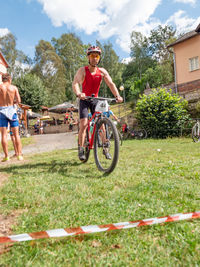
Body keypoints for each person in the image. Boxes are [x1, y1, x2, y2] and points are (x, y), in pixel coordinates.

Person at [72, 45, 123, 161]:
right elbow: (75, 83)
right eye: (92, 56)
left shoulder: (102, 71)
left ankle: (105, 148)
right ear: (88, 58)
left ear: (99, 58)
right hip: (84, 99)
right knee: (84, 124)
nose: (95, 58)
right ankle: (81, 148)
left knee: (102, 123)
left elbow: (111, 84)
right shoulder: (82, 70)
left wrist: (117, 96)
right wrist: (79, 93)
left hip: (96, 100)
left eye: (97, 56)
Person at [0, 73, 23, 161]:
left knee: (4, 135)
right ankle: (19, 155)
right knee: (16, 134)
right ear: (10, 79)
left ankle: (6, 156)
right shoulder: (14, 88)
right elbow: (19, 100)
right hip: (11, 110)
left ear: (2, 79)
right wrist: (12, 102)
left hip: (1, 111)